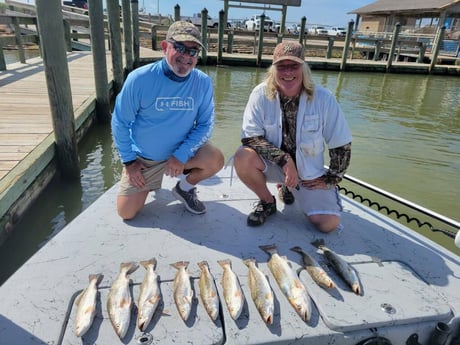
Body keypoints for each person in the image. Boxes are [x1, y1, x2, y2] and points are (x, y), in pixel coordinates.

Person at [233, 41, 352, 233]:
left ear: (304, 68)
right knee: (242, 156)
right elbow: (250, 138)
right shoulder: (259, 94)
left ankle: (289, 189)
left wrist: (332, 178)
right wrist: (285, 160)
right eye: (282, 66)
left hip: (309, 174)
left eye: (294, 66)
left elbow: (341, 143)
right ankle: (267, 201)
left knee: (328, 225)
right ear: (273, 69)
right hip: (274, 165)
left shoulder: (324, 98)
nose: (288, 72)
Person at [111, 21, 224, 220]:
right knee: (126, 212)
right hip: (145, 160)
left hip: (182, 156)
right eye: (180, 48)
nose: (186, 57)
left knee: (215, 158)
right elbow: (120, 123)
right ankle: (148, 181)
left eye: (193, 51)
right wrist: (129, 162)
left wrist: (181, 154)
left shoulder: (203, 82)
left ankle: (185, 188)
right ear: (165, 47)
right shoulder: (139, 79)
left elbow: (206, 124)